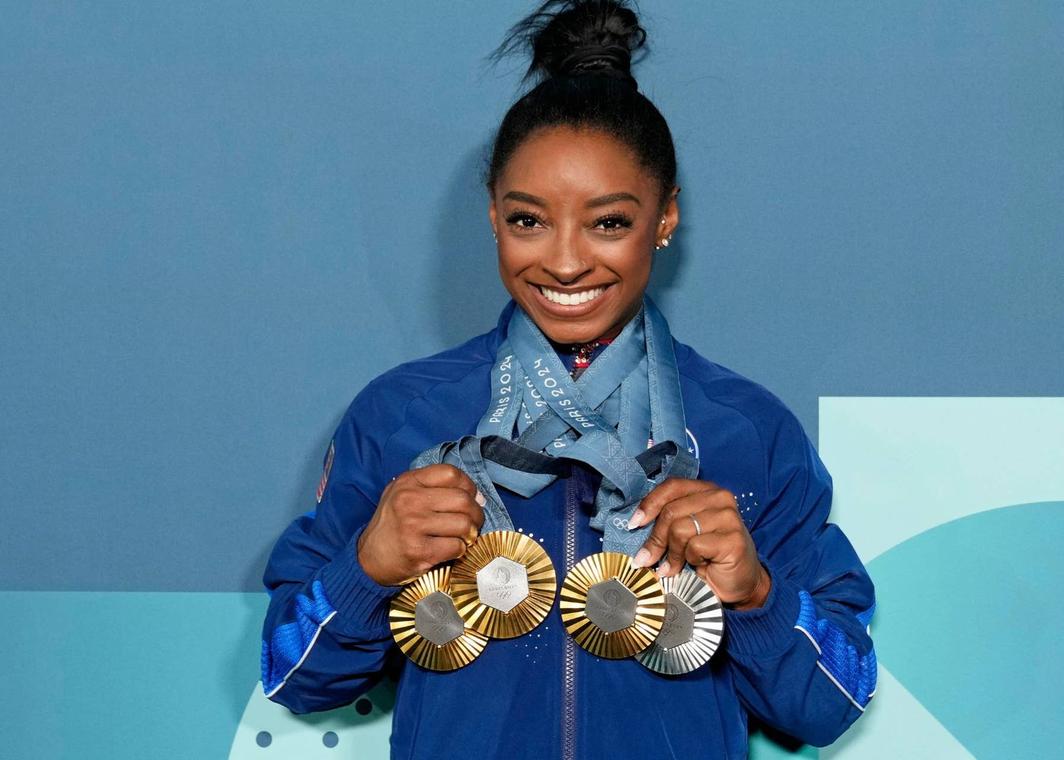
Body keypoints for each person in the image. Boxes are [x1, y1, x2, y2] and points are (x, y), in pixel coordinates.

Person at [259, 1, 876, 757]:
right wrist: (367, 568)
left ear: (665, 219)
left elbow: (835, 701)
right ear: (492, 217)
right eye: (528, 220)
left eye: (609, 222)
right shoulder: (404, 417)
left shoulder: (743, 430)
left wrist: (756, 595)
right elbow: (292, 673)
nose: (564, 260)